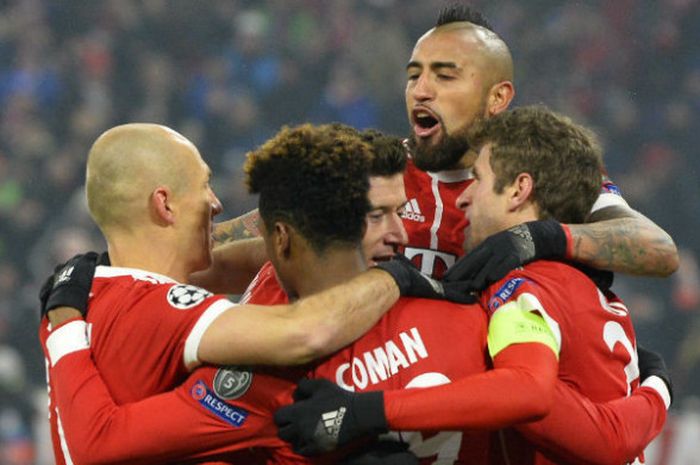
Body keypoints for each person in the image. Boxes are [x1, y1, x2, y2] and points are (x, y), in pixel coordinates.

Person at [44, 118, 668, 465]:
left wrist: (67, 320)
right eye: (381, 215)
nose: (408, 231)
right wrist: (655, 390)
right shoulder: (484, 307)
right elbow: (576, 420)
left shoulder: (265, 373)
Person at [42, 123, 487, 464]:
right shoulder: (184, 322)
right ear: (164, 203)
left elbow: (238, 256)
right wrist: (397, 280)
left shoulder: (94, 292)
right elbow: (305, 332)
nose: (217, 203)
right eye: (204, 185)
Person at [273, 106, 671, 465]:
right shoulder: (591, 287)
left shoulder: (523, 285)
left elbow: (538, 398)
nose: (462, 199)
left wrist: (365, 411)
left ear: (519, 189)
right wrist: (657, 389)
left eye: (477, 179)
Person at [207, 3, 677, 286]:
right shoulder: (367, 171)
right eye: (414, 75)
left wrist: (540, 236)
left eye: (444, 75)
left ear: (498, 98)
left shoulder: (542, 173)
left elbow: (656, 248)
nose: (421, 90)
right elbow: (233, 242)